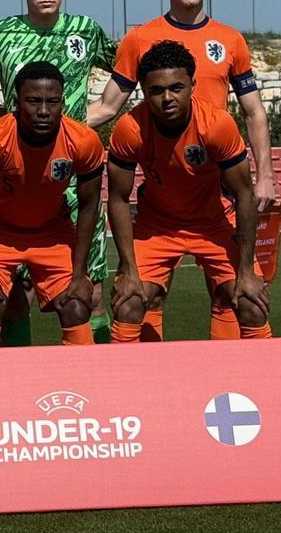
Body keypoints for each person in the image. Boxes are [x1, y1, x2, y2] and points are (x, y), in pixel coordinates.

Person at [88, 0, 276, 340]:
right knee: (144, 297)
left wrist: (266, 175)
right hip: (163, 181)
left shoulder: (230, 40)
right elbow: (107, 107)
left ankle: (238, 383)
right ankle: (145, 387)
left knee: (235, 296)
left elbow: (254, 111)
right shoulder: (140, 39)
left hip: (219, 178)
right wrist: (56, 131)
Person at [0, 0, 116, 345]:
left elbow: (130, 71)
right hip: (18, 173)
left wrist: (98, 113)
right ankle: (12, 389)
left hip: (73, 170)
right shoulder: (0, 34)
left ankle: (92, 385)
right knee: (10, 297)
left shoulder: (87, 29)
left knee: (90, 292)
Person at [105, 40, 270, 344]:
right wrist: (128, 268)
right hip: (157, 225)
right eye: (156, 90)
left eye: (176, 88)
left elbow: (244, 195)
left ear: (193, 84)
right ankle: (131, 386)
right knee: (129, 302)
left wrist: (246, 270)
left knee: (250, 303)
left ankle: (246, 383)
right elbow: (117, 198)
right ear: (143, 88)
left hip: (213, 222)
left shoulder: (217, 124)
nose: (167, 98)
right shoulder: (130, 128)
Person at [0, 62, 103, 348]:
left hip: (51, 233)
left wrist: (80, 274)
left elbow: (90, 204)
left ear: (63, 101)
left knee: (77, 303)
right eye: (33, 101)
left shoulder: (84, 141)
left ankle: (82, 386)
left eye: (52, 102)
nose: (43, 110)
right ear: (16, 101)